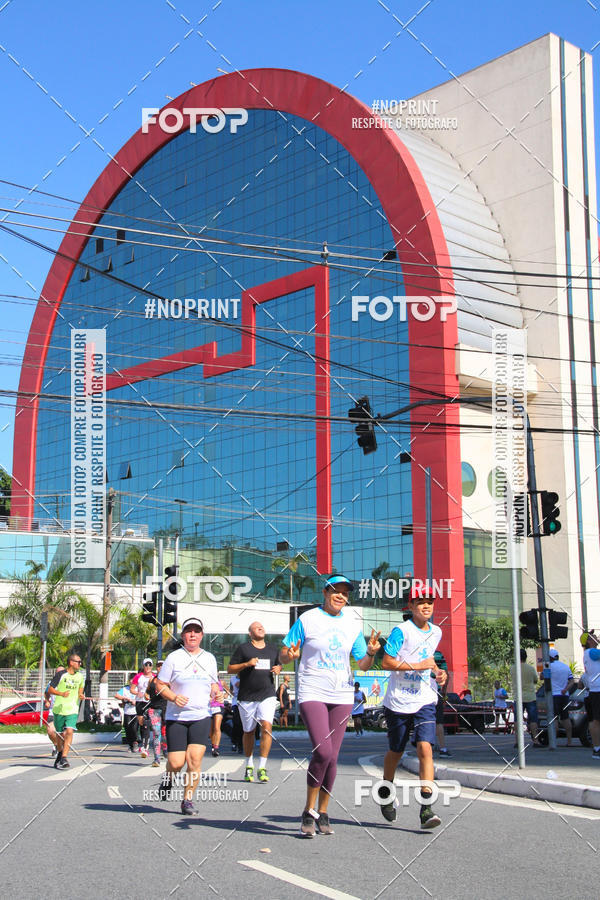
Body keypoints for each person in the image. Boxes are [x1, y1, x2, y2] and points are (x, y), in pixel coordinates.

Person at [280, 574, 381, 837]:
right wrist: (288, 655)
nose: (341, 596)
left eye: (346, 593)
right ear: (325, 592)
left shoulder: (351, 623)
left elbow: (362, 663)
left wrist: (370, 653)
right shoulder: (308, 619)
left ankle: (323, 811)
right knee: (322, 752)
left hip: (342, 695)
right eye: (336, 591)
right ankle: (308, 809)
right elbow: (285, 651)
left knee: (333, 757)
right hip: (313, 691)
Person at [379, 590, 447, 829]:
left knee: (425, 748)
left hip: (424, 699)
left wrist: (439, 674)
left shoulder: (436, 632)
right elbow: (386, 662)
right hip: (398, 700)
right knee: (395, 751)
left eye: (430, 602)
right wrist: (418, 666)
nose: (426, 606)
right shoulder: (402, 631)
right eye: (420, 602)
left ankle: (426, 809)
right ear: (411, 605)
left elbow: (430, 661)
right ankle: (386, 791)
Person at [156, 617, 223, 815]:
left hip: (201, 715)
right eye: (189, 631)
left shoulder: (209, 658)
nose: (192, 634)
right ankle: (168, 780)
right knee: (176, 763)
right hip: (177, 717)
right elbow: (160, 686)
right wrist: (174, 697)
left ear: (202, 635)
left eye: (196, 631)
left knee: (194, 760)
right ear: (183, 635)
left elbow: (213, 684)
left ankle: (187, 801)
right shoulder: (174, 658)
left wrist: (216, 693)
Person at [228, 621, 281, 783]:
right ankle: (249, 763)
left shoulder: (273, 649)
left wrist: (279, 669)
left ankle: (262, 767)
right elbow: (230, 669)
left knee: (267, 727)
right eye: (256, 627)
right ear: (250, 633)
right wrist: (246, 664)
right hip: (247, 697)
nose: (261, 628)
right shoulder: (243, 649)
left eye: (262, 626)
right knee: (249, 731)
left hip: (268, 694)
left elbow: (278, 665)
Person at [47, 653, 85, 769]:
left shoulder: (80, 676)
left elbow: (80, 690)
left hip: (72, 709)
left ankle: (64, 757)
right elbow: (50, 689)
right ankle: (60, 752)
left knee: (69, 731)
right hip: (59, 708)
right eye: (78, 661)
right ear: (71, 662)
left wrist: (80, 695)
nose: (80, 664)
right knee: (59, 734)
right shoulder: (61, 675)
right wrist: (61, 693)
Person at [510, 648, 540, 746]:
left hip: (518, 697)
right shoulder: (531, 669)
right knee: (533, 719)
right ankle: (535, 740)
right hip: (530, 696)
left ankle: (518, 741)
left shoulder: (513, 668)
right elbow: (535, 680)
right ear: (526, 657)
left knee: (517, 720)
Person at [580, 631, 600, 759]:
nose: (597, 637)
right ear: (588, 641)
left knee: (594, 720)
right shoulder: (592, 652)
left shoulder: (587, 654)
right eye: (593, 636)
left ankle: (597, 748)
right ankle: (597, 748)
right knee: (596, 720)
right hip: (598, 690)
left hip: (594, 690)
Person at [549, 648, 574, 746]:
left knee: (554, 718)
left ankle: (554, 741)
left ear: (550, 657)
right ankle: (569, 741)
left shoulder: (549, 666)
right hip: (564, 696)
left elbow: (542, 677)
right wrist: (565, 689)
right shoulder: (566, 667)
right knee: (565, 718)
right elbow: (572, 681)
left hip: (554, 695)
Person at [146, 660, 168, 766]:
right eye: (158, 666)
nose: (160, 668)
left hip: (166, 709)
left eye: (162, 666)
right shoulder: (152, 680)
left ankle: (165, 748)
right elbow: (147, 692)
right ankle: (156, 758)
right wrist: (146, 695)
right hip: (154, 709)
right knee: (156, 732)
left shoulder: (169, 680)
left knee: (165, 733)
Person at [132, 658, 154, 758]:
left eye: (150, 665)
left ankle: (145, 747)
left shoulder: (154, 677)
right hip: (140, 702)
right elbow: (132, 689)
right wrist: (138, 693)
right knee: (141, 722)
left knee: (147, 723)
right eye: (146, 665)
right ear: (143, 666)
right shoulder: (138, 677)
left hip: (149, 702)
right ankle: (143, 740)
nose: (148, 667)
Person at [44, 665, 65, 757]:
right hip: (53, 710)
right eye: (57, 672)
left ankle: (61, 749)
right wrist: (47, 700)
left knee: (63, 733)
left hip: (65, 711)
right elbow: (46, 692)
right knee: (50, 731)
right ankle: (56, 745)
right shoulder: (51, 683)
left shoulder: (69, 683)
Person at [114, 674, 139, 752]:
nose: (132, 681)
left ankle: (135, 742)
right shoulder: (125, 689)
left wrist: (136, 702)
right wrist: (125, 698)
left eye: (134, 680)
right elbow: (117, 695)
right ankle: (130, 744)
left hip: (136, 712)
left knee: (134, 728)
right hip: (127, 712)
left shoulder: (139, 689)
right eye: (131, 680)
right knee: (127, 728)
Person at [434, 650, 451, 757]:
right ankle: (442, 748)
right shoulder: (439, 655)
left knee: (423, 720)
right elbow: (446, 673)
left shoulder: (417, 652)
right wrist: (444, 691)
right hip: (436, 690)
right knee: (439, 721)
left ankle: (425, 747)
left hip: (420, 692)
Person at [209, 677, 226, 757]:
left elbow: (229, 692)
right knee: (211, 730)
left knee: (217, 727)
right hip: (209, 707)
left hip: (219, 706)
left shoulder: (222, 682)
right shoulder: (207, 682)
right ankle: (213, 745)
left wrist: (224, 696)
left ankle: (216, 747)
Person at [229, 674, 243, 752]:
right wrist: (232, 693)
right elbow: (231, 689)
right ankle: (234, 742)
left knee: (242, 724)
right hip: (236, 703)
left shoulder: (246, 677)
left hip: (244, 702)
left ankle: (241, 744)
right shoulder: (233, 678)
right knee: (236, 723)